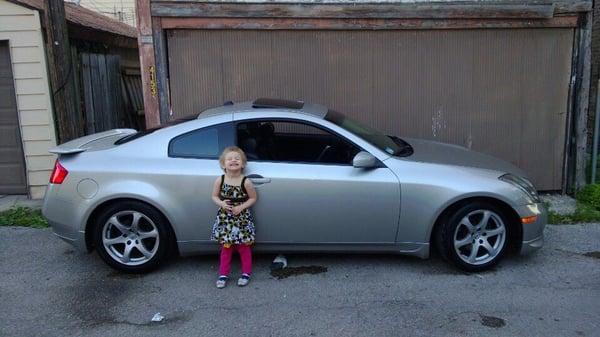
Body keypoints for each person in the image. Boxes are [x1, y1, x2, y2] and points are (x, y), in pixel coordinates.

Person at [211, 146, 257, 288]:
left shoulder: (246, 182)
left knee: (244, 248)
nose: (233, 161)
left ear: (242, 164)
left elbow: (253, 198)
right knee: (226, 248)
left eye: (237, 158)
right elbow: (214, 196)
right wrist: (221, 203)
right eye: (229, 159)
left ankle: (246, 273)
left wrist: (241, 207)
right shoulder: (220, 180)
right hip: (226, 219)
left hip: (241, 219)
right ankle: (223, 274)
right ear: (223, 164)